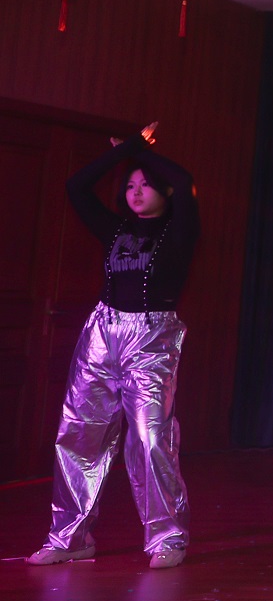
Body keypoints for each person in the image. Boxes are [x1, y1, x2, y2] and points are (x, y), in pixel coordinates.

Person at [29, 123, 199, 570]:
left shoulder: (179, 230)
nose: (136, 192)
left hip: (152, 337)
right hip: (102, 334)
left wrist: (140, 151)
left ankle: (168, 537)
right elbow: (76, 186)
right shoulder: (116, 228)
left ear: (164, 192)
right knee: (79, 434)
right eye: (130, 185)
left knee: (151, 438)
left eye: (146, 184)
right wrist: (124, 153)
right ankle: (70, 536)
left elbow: (183, 181)